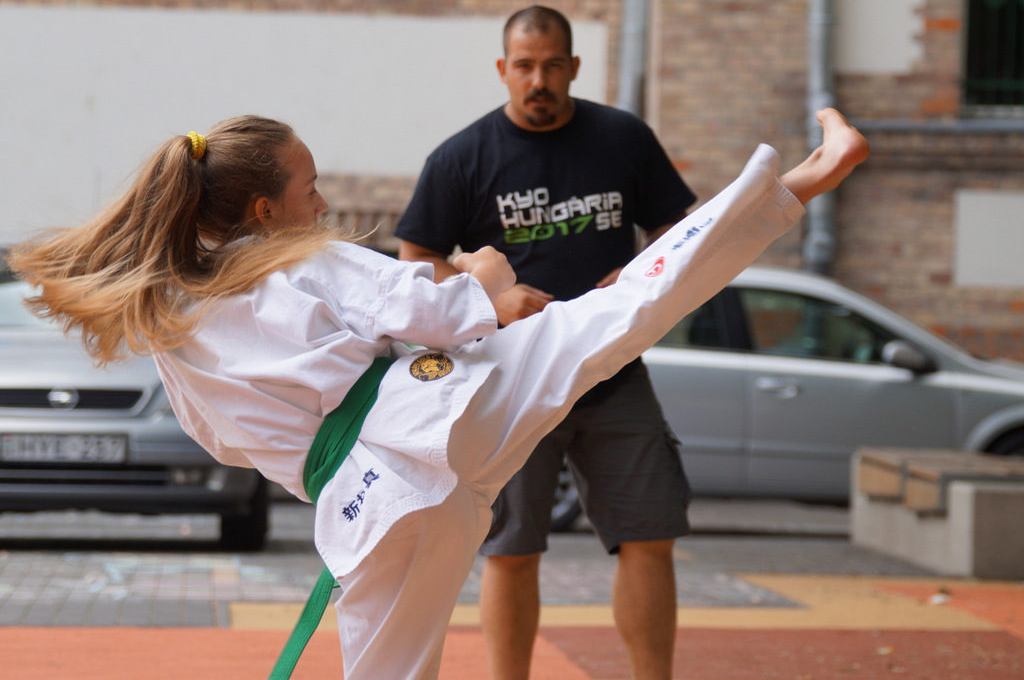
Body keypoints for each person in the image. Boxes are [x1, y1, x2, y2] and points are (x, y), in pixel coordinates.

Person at [9, 110, 868, 680]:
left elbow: (228, 443)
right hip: (439, 418)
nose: (323, 202)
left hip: (361, 505)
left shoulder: (173, 327)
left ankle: (802, 178)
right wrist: (484, 274)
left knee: (386, 673)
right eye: (311, 188)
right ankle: (804, 177)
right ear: (265, 210)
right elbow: (443, 313)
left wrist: (342, 441)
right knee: (624, 308)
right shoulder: (300, 257)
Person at [393, 6, 698, 678]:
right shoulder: (462, 157)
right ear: (503, 70)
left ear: (574, 67)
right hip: (512, 381)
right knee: (511, 548)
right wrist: (490, 300)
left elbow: (679, 231)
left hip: (613, 371)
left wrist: (642, 271)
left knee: (650, 536)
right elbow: (417, 259)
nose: (539, 80)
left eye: (553, 65)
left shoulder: (622, 138)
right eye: (525, 67)